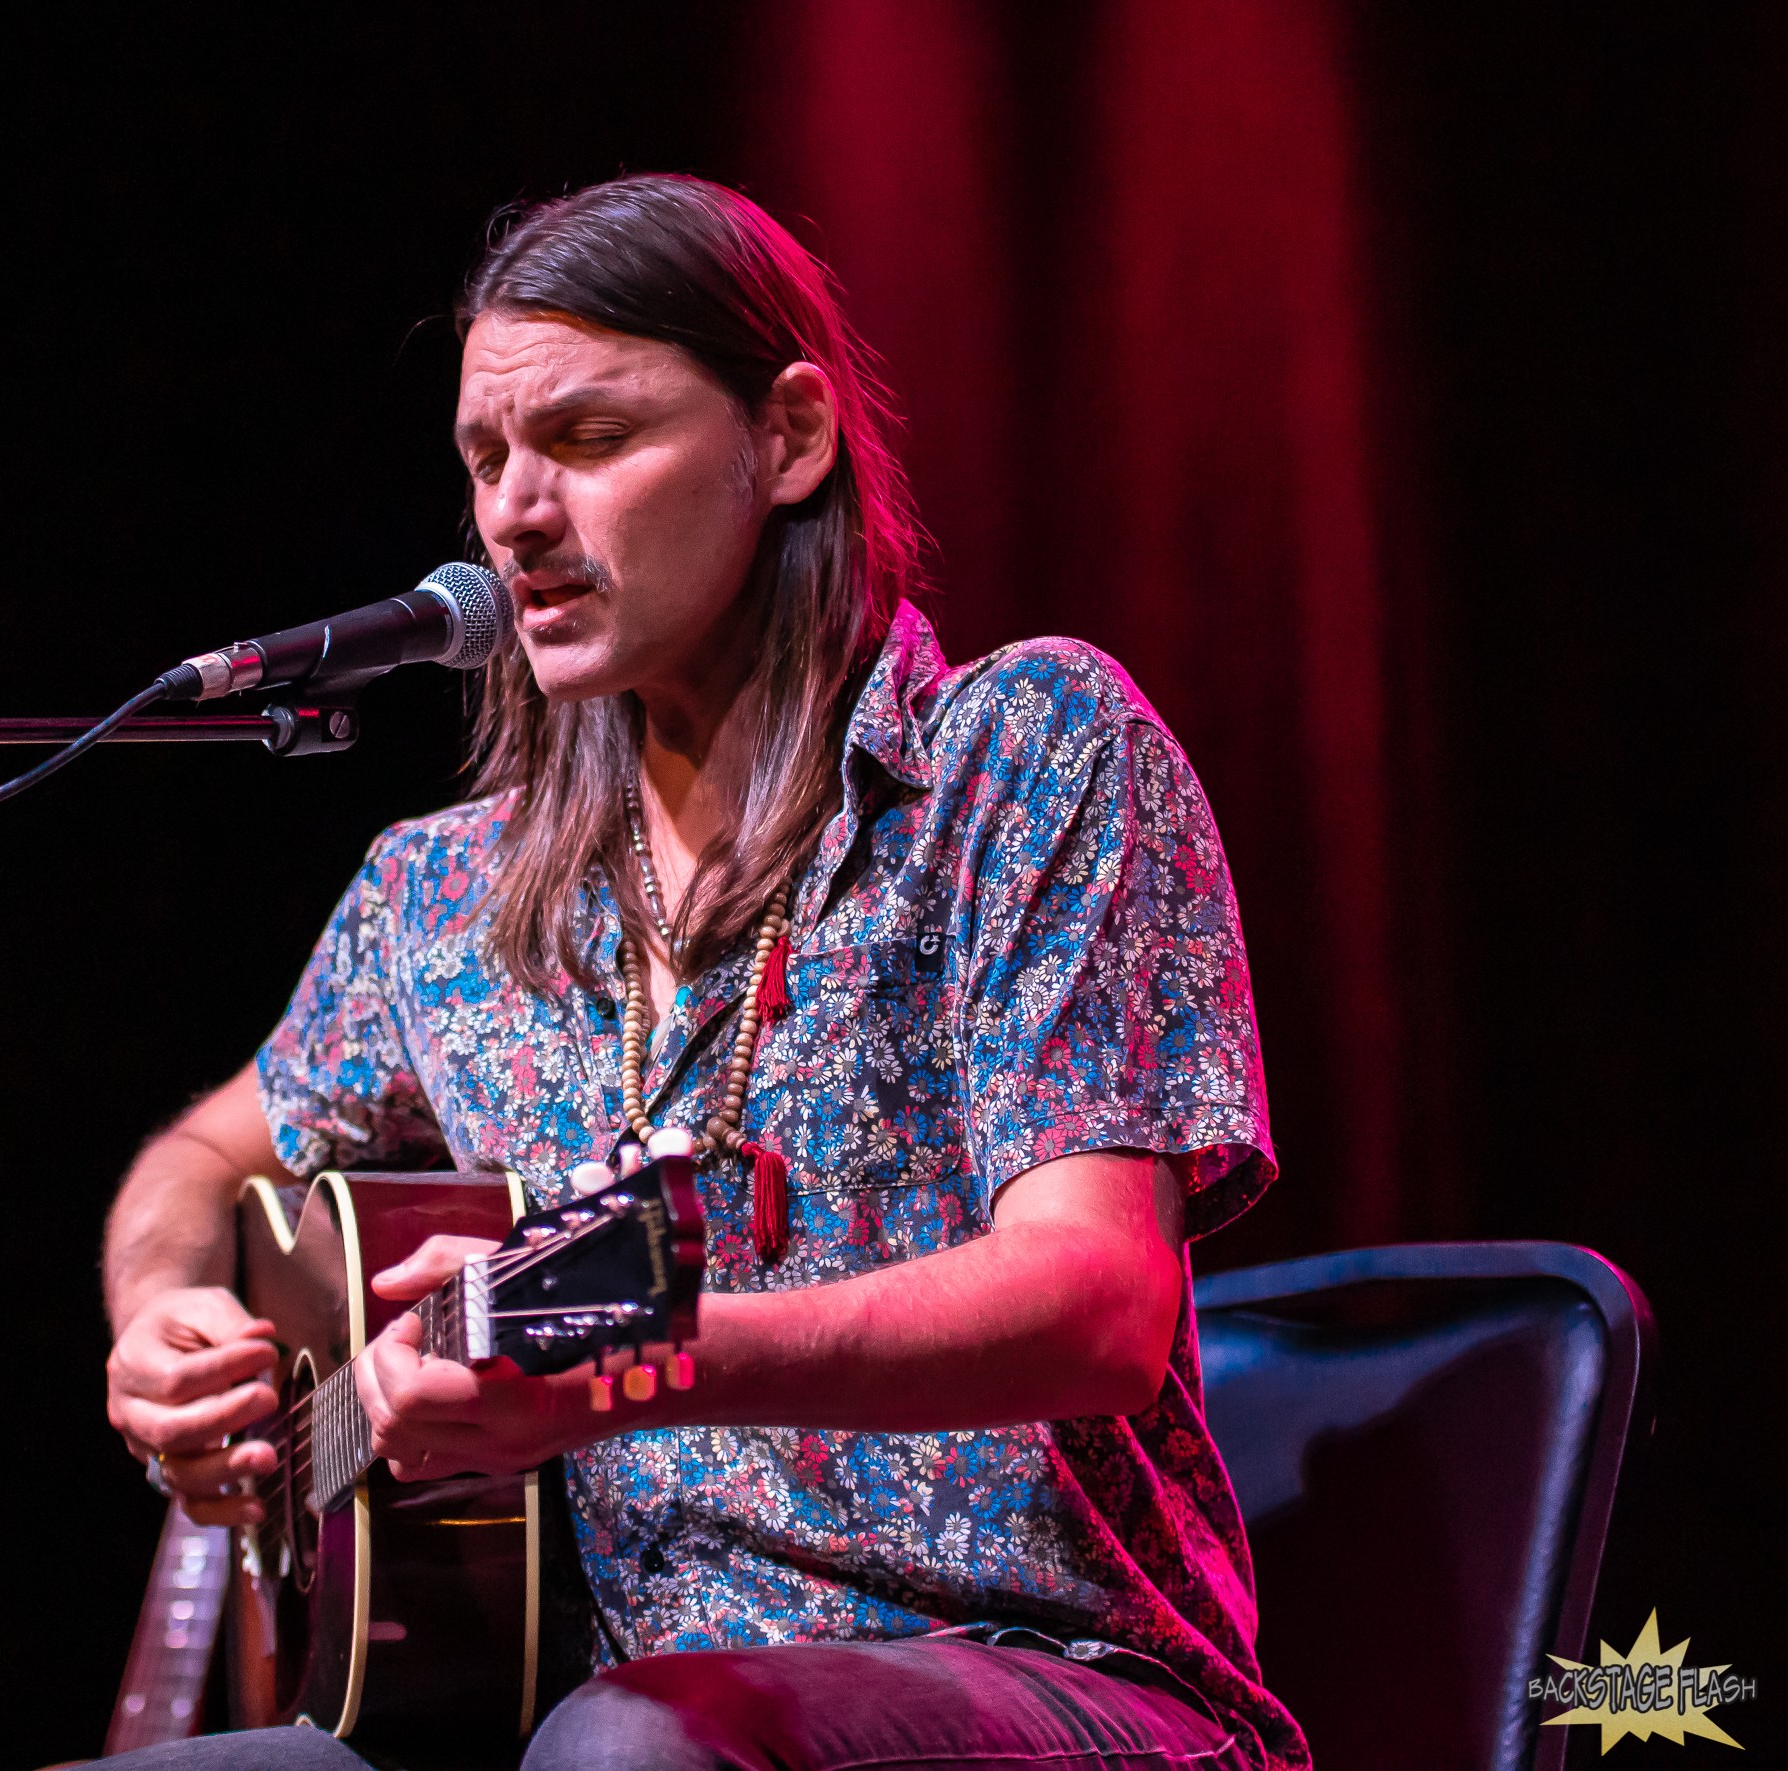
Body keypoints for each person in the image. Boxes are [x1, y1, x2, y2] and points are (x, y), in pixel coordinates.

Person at [100, 173, 1309, 1771]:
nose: (515, 514)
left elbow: (1096, 1307)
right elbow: (199, 1158)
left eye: (591, 442)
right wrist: (167, 1318)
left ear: (789, 441)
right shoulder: (441, 897)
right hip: (608, 1706)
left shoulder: (1024, 757)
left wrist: (633, 1368)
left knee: (639, 1749)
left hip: (1047, 1673)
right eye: (486, 459)